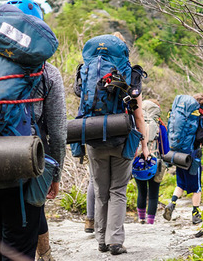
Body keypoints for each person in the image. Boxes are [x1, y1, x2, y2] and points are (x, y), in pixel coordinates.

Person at [0, 0, 67, 261]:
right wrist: (55, 174)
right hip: (24, 165)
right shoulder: (47, 72)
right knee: (20, 248)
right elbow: (57, 131)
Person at [78, 32, 149, 255]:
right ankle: (115, 241)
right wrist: (144, 146)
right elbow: (139, 117)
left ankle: (101, 239)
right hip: (122, 137)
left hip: (94, 136)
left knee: (100, 191)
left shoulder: (87, 71)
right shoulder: (130, 75)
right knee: (118, 190)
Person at [163, 93, 203, 225]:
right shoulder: (201, 117)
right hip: (192, 156)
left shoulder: (182, 114)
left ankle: (171, 204)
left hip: (178, 154)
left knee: (180, 183)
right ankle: (195, 214)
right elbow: (201, 137)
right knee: (197, 187)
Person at [134, 99, 168, 225]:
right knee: (153, 194)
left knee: (141, 191)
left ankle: (141, 218)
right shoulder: (160, 126)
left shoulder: (137, 123)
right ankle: (150, 221)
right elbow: (165, 148)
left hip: (139, 161)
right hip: (155, 162)